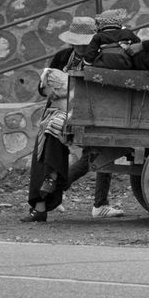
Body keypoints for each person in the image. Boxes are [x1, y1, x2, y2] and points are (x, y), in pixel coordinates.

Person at [64, 8, 139, 218]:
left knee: (101, 156)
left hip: (98, 111)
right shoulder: (80, 55)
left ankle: (98, 202)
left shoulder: (88, 53)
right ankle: (52, 193)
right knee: (92, 159)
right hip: (95, 113)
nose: (78, 46)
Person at [22, 15, 97, 222]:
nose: (80, 48)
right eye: (77, 44)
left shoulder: (98, 59)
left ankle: (51, 182)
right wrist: (49, 92)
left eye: (85, 44)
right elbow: (42, 85)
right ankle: (41, 202)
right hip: (57, 110)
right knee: (45, 142)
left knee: (54, 130)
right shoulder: (63, 57)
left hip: (85, 111)